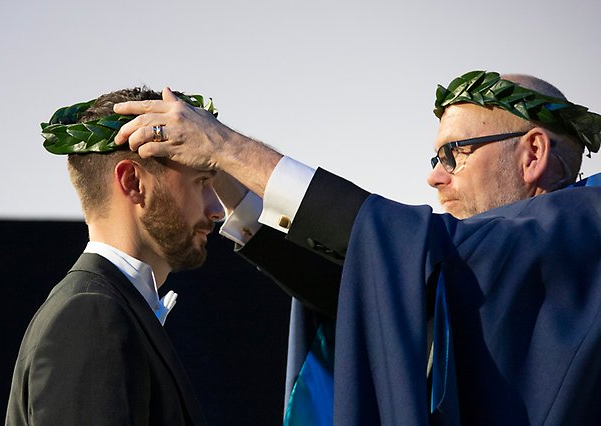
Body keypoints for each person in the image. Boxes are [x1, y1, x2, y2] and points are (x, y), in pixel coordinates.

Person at [113, 71, 601, 424]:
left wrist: (223, 145)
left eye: (455, 153)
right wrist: (221, 175)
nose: (434, 176)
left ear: (533, 153)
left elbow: (415, 247)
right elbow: (371, 285)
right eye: (436, 156)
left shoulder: (585, 223)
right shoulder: (494, 264)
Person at [6, 87, 224, 425]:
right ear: (133, 182)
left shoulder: (107, 307)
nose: (216, 210)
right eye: (201, 182)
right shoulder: (90, 317)